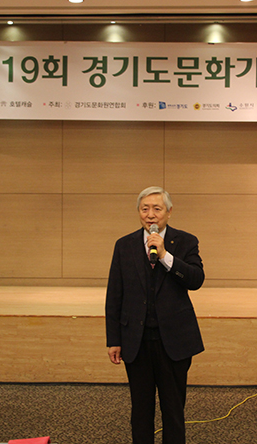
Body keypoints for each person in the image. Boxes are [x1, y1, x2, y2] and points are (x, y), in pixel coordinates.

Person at [105, 186, 205, 444]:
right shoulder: (124, 245)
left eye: (157, 209)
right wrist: (113, 339)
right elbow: (114, 294)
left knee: (173, 411)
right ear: (138, 212)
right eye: (144, 209)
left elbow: (195, 280)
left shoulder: (185, 242)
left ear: (169, 212)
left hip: (174, 341)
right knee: (140, 411)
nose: (150, 215)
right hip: (136, 341)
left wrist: (164, 256)